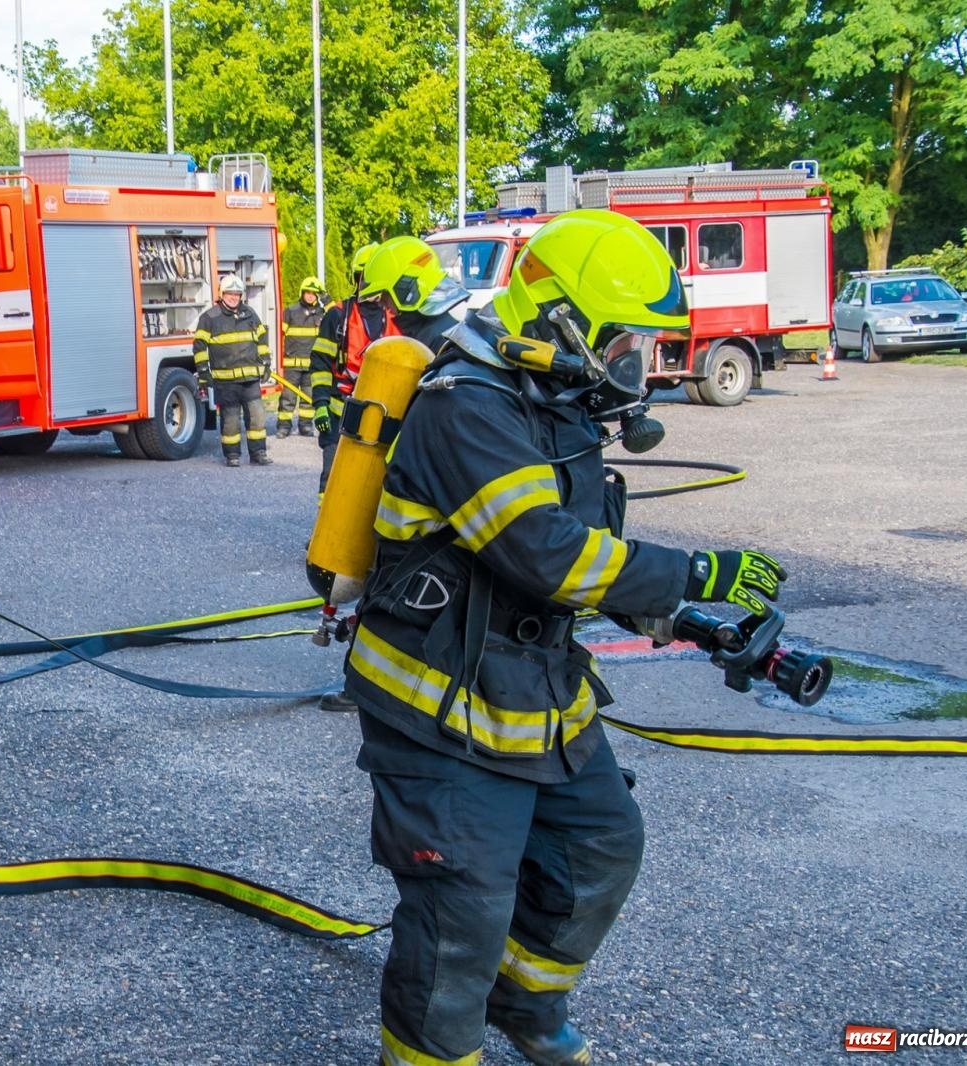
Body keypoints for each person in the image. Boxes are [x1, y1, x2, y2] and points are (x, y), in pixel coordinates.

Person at [343, 210, 787, 1066]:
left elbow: (592, 557)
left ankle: (526, 1006)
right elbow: (544, 553)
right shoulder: (465, 405)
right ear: (563, 321)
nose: (635, 366)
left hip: (532, 691)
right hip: (438, 704)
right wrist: (699, 573)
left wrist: (687, 619)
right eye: (623, 343)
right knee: (461, 915)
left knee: (599, 849)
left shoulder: (557, 405)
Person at [314, 236, 468, 717]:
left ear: (406, 292)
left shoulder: (427, 347)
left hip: (412, 499)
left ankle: (366, 689)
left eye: (387, 300)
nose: (387, 312)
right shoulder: (456, 335)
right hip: (439, 499)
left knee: (389, 592)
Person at [310, 243, 385, 500]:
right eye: (366, 277)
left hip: (383, 414)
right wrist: (320, 404)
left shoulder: (397, 317)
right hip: (339, 414)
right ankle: (325, 526)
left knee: (374, 485)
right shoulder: (338, 316)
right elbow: (320, 362)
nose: (370, 284)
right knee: (332, 481)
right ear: (356, 278)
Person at [193, 274, 273, 467]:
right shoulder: (210, 318)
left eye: (237, 294)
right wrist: (203, 373)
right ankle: (232, 455)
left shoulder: (250, 314)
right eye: (230, 294)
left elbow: (262, 339)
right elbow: (199, 347)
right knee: (230, 421)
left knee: (257, 418)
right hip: (226, 381)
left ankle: (258, 453)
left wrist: (266, 362)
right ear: (222, 294)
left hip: (250, 379)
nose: (233, 297)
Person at [276, 276, 325, 438]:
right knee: (288, 397)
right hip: (292, 364)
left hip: (311, 365)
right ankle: (284, 426)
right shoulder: (291, 311)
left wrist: (327, 300)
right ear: (302, 293)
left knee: (308, 397)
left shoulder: (322, 313)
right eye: (307, 293)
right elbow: (279, 335)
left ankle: (305, 426)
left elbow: (336, 318)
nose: (310, 296)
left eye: (314, 293)